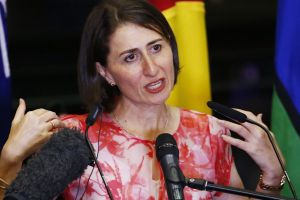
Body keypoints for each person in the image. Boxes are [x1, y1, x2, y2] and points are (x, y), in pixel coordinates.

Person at [0, 0, 286, 199]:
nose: (152, 68)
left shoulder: (209, 133)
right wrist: (9, 161)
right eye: (131, 57)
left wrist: (272, 176)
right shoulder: (71, 138)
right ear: (105, 72)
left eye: (157, 47)